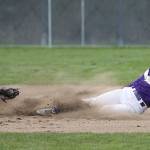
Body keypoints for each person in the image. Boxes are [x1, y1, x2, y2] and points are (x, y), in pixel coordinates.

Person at [36, 68, 150, 115]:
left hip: (133, 106)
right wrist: (126, 87)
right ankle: (56, 109)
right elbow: (140, 79)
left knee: (103, 110)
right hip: (124, 93)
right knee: (92, 102)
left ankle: (74, 116)